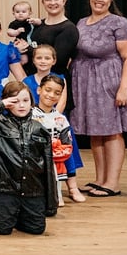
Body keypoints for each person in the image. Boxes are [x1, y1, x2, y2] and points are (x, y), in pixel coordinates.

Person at [70, 0, 127, 198]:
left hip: (108, 80)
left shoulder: (119, 23)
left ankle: (113, 182)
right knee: (96, 131)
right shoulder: (82, 22)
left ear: (111, 0)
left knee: (111, 131)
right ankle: (100, 179)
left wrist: (124, 88)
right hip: (86, 83)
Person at [0, 81, 58, 235]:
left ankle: (20, 215)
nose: (21, 105)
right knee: (1, 229)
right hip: (4, 189)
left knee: (36, 229)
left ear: (31, 102)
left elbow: (48, 167)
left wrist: (51, 202)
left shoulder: (39, 128)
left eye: (25, 100)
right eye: (15, 101)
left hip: (33, 190)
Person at [34, 74, 85, 203]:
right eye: (48, 90)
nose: (51, 95)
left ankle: (57, 194)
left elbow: (66, 143)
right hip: (34, 156)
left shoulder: (60, 119)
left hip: (55, 157)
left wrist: (58, 149)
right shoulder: (30, 115)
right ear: (39, 90)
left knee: (60, 161)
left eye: (57, 93)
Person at [21, 0, 79, 81]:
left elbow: (58, 60)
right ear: (42, 2)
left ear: (64, 1)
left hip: (54, 83)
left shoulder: (69, 29)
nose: (52, 3)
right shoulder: (37, 24)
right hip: (32, 80)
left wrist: (27, 48)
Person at [6, 0, 41, 67]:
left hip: (32, 43)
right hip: (21, 43)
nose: (20, 13)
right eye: (17, 12)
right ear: (13, 14)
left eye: (23, 12)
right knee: (24, 60)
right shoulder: (15, 23)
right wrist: (17, 31)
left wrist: (35, 21)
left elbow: (40, 22)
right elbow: (9, 32)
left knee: (35, 57)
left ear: (30, 13)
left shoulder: (30, 21)